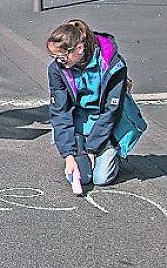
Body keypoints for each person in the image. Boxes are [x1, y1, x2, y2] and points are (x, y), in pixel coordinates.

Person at [46, 20, 138, 187]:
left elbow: (112, 111)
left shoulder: (113, 65)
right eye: (54, 57)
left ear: (79, 49)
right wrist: (68, 154)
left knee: (101, 179)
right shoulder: (57, 69)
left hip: (107, 124)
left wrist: (92, 149)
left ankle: (112, 151)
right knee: (79, 176)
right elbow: (60, 112)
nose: (58, 62)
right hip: (79, 122)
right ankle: (80, 150)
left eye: (62, 57)